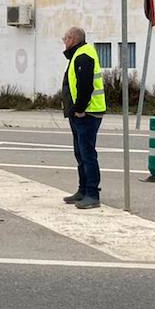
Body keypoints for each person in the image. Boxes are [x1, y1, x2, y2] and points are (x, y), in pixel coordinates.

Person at [60, 26, 107, 208]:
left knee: (87, 154)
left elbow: (85, 86)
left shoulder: (83, 56)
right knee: (80, 153)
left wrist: (79, 108)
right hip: (81, 113)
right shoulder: (78, 54)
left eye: (65, 38)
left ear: (72, 38)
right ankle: (83, 190)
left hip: (87, 113)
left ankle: (92, 194)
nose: (64, 42)